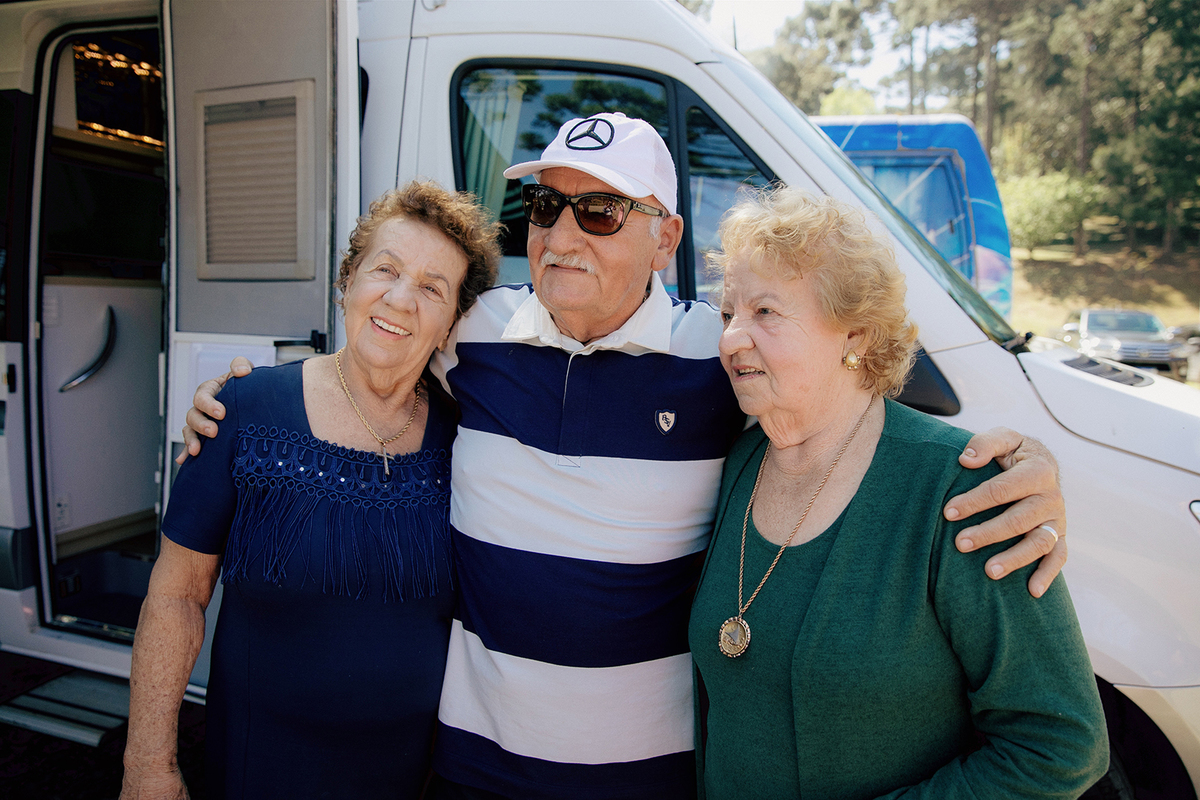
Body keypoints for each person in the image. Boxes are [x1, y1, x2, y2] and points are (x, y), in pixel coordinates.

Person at [182, 113, 1069, 800]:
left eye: (600, 210)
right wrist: (245, 398)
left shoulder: (719, 359)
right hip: (470, 767)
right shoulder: (476, 334)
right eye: (545, 206)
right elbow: (375, 352)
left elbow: (849, 408)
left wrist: (1028, 464)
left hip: (648, 778)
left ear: (666, 238)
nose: (563, 236)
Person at [689, 185, 1107, 798]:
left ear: (855, 336)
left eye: (766, 313)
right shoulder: (735, 462)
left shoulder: (960, 489)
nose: (731, 339)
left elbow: (1060, 746)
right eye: (729, 314)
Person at [121, 181, 501, 800]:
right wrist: (148, 766)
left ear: (452, 322)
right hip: (261, 769)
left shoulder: (470, 440)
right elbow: (176, 595)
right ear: (346, 281)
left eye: (432, 288)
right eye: (386, 270)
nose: (400, 300)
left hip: (412, 779)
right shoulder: (243, 410)